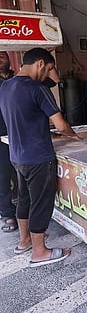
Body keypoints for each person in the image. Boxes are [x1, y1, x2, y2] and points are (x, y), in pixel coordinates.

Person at [0, 47, 81, 267]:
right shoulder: (37, 88)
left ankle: (24, 241)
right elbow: (61, 124)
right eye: (49, 69)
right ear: (39, 64)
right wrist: (74, 136)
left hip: (17, 156)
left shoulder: (6, 86)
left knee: (24, 199)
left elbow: (25, 120)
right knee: (41, 204)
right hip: (38, 158)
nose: (48, 75)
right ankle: (39, 252)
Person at [0, 51, 17, 232]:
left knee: (22, 173)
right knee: (2, 176)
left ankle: (24, 210)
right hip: (0, 136)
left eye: (2, 56)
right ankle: (7, 214)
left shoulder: (17, 78)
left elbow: (54, 80)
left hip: (19, 134)